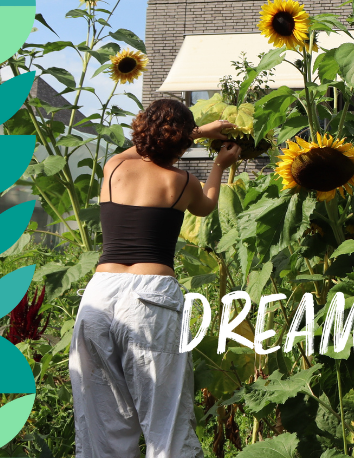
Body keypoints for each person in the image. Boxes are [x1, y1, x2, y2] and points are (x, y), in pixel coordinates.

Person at [69, 99, 240, 457]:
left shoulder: (115, 166)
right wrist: (220, 165)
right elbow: (208, 205)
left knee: (101, 424)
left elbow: (149, 144)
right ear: (181, 143)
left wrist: (194, 133)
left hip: (99, 296)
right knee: (166, 422)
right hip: (151, 298)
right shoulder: (181, 182)